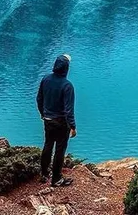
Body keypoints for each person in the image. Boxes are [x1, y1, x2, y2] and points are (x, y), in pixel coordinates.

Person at [36, 54, 77, 187]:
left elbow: (39, 99)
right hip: (61, 122)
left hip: (48, 120)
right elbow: (68, 110)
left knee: (48, 145)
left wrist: (43, 113)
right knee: (60, 149)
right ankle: (57, 179)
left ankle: (43, 174)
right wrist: (73, 126)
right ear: (66, 68)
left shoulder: (45, 79)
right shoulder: (67, 86)